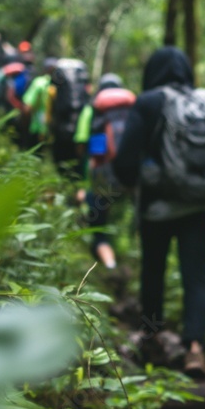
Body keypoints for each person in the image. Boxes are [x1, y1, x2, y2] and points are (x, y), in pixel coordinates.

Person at [113, 46, 205, 378]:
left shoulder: (149, 102)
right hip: (200, 206)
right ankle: (195, 349)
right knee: (195, 276)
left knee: (153, 271)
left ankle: (151, 338)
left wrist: (134, 182)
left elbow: (124, 160)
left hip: (157, 206)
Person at [74, 73, 136, 270]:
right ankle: (130, 254)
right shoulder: (131, 110)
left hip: (102, 175)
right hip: (129, 173)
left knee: (98, 221)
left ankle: (109, 264)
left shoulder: (92, 110)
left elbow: (84, 143)